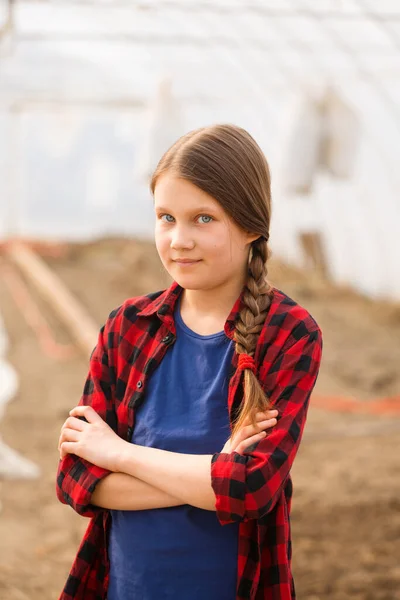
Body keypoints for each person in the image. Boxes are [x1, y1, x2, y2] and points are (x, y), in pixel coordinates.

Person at [56, 123, 323, 600]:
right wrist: (212, 474)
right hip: (126, 587)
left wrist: (119, 455)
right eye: (165, 217)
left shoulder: (287, 333)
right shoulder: (128, 326)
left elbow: (253, 489)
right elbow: (77, 480)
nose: (178, 240)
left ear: (252, 225)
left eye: (203, 219)